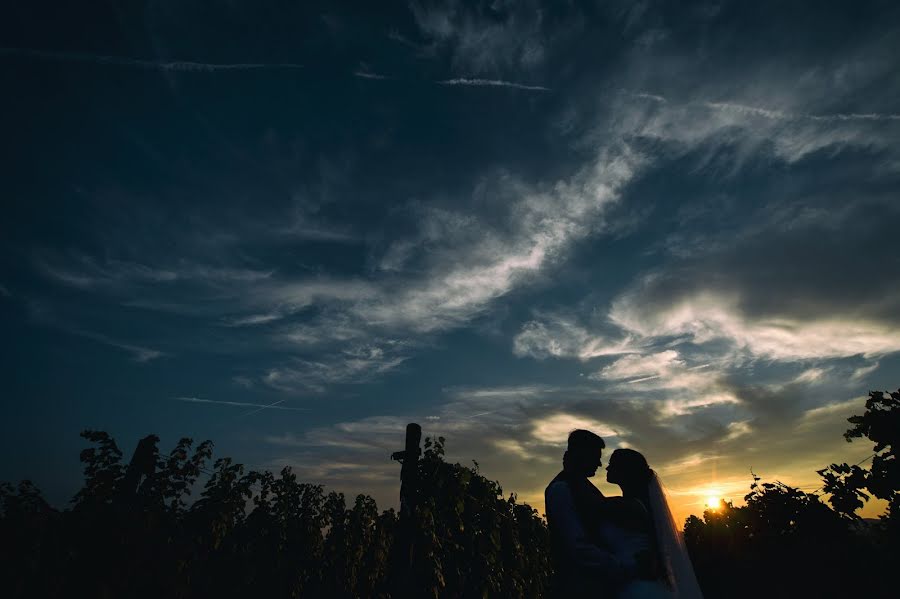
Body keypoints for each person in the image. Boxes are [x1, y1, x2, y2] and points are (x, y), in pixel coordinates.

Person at [545, 430, 639, 598]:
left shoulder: (583, 487)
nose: (600, 464)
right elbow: (577, 546)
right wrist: (624, 567)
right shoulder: (561, 489)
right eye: (596, 456)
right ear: (582, 455)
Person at [602, 448, 704, 599]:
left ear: (625, 470)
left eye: (612, 463)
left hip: (638, 588)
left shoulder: (629, 506)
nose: (607, 467)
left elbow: (592, 503)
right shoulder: (635, 504)